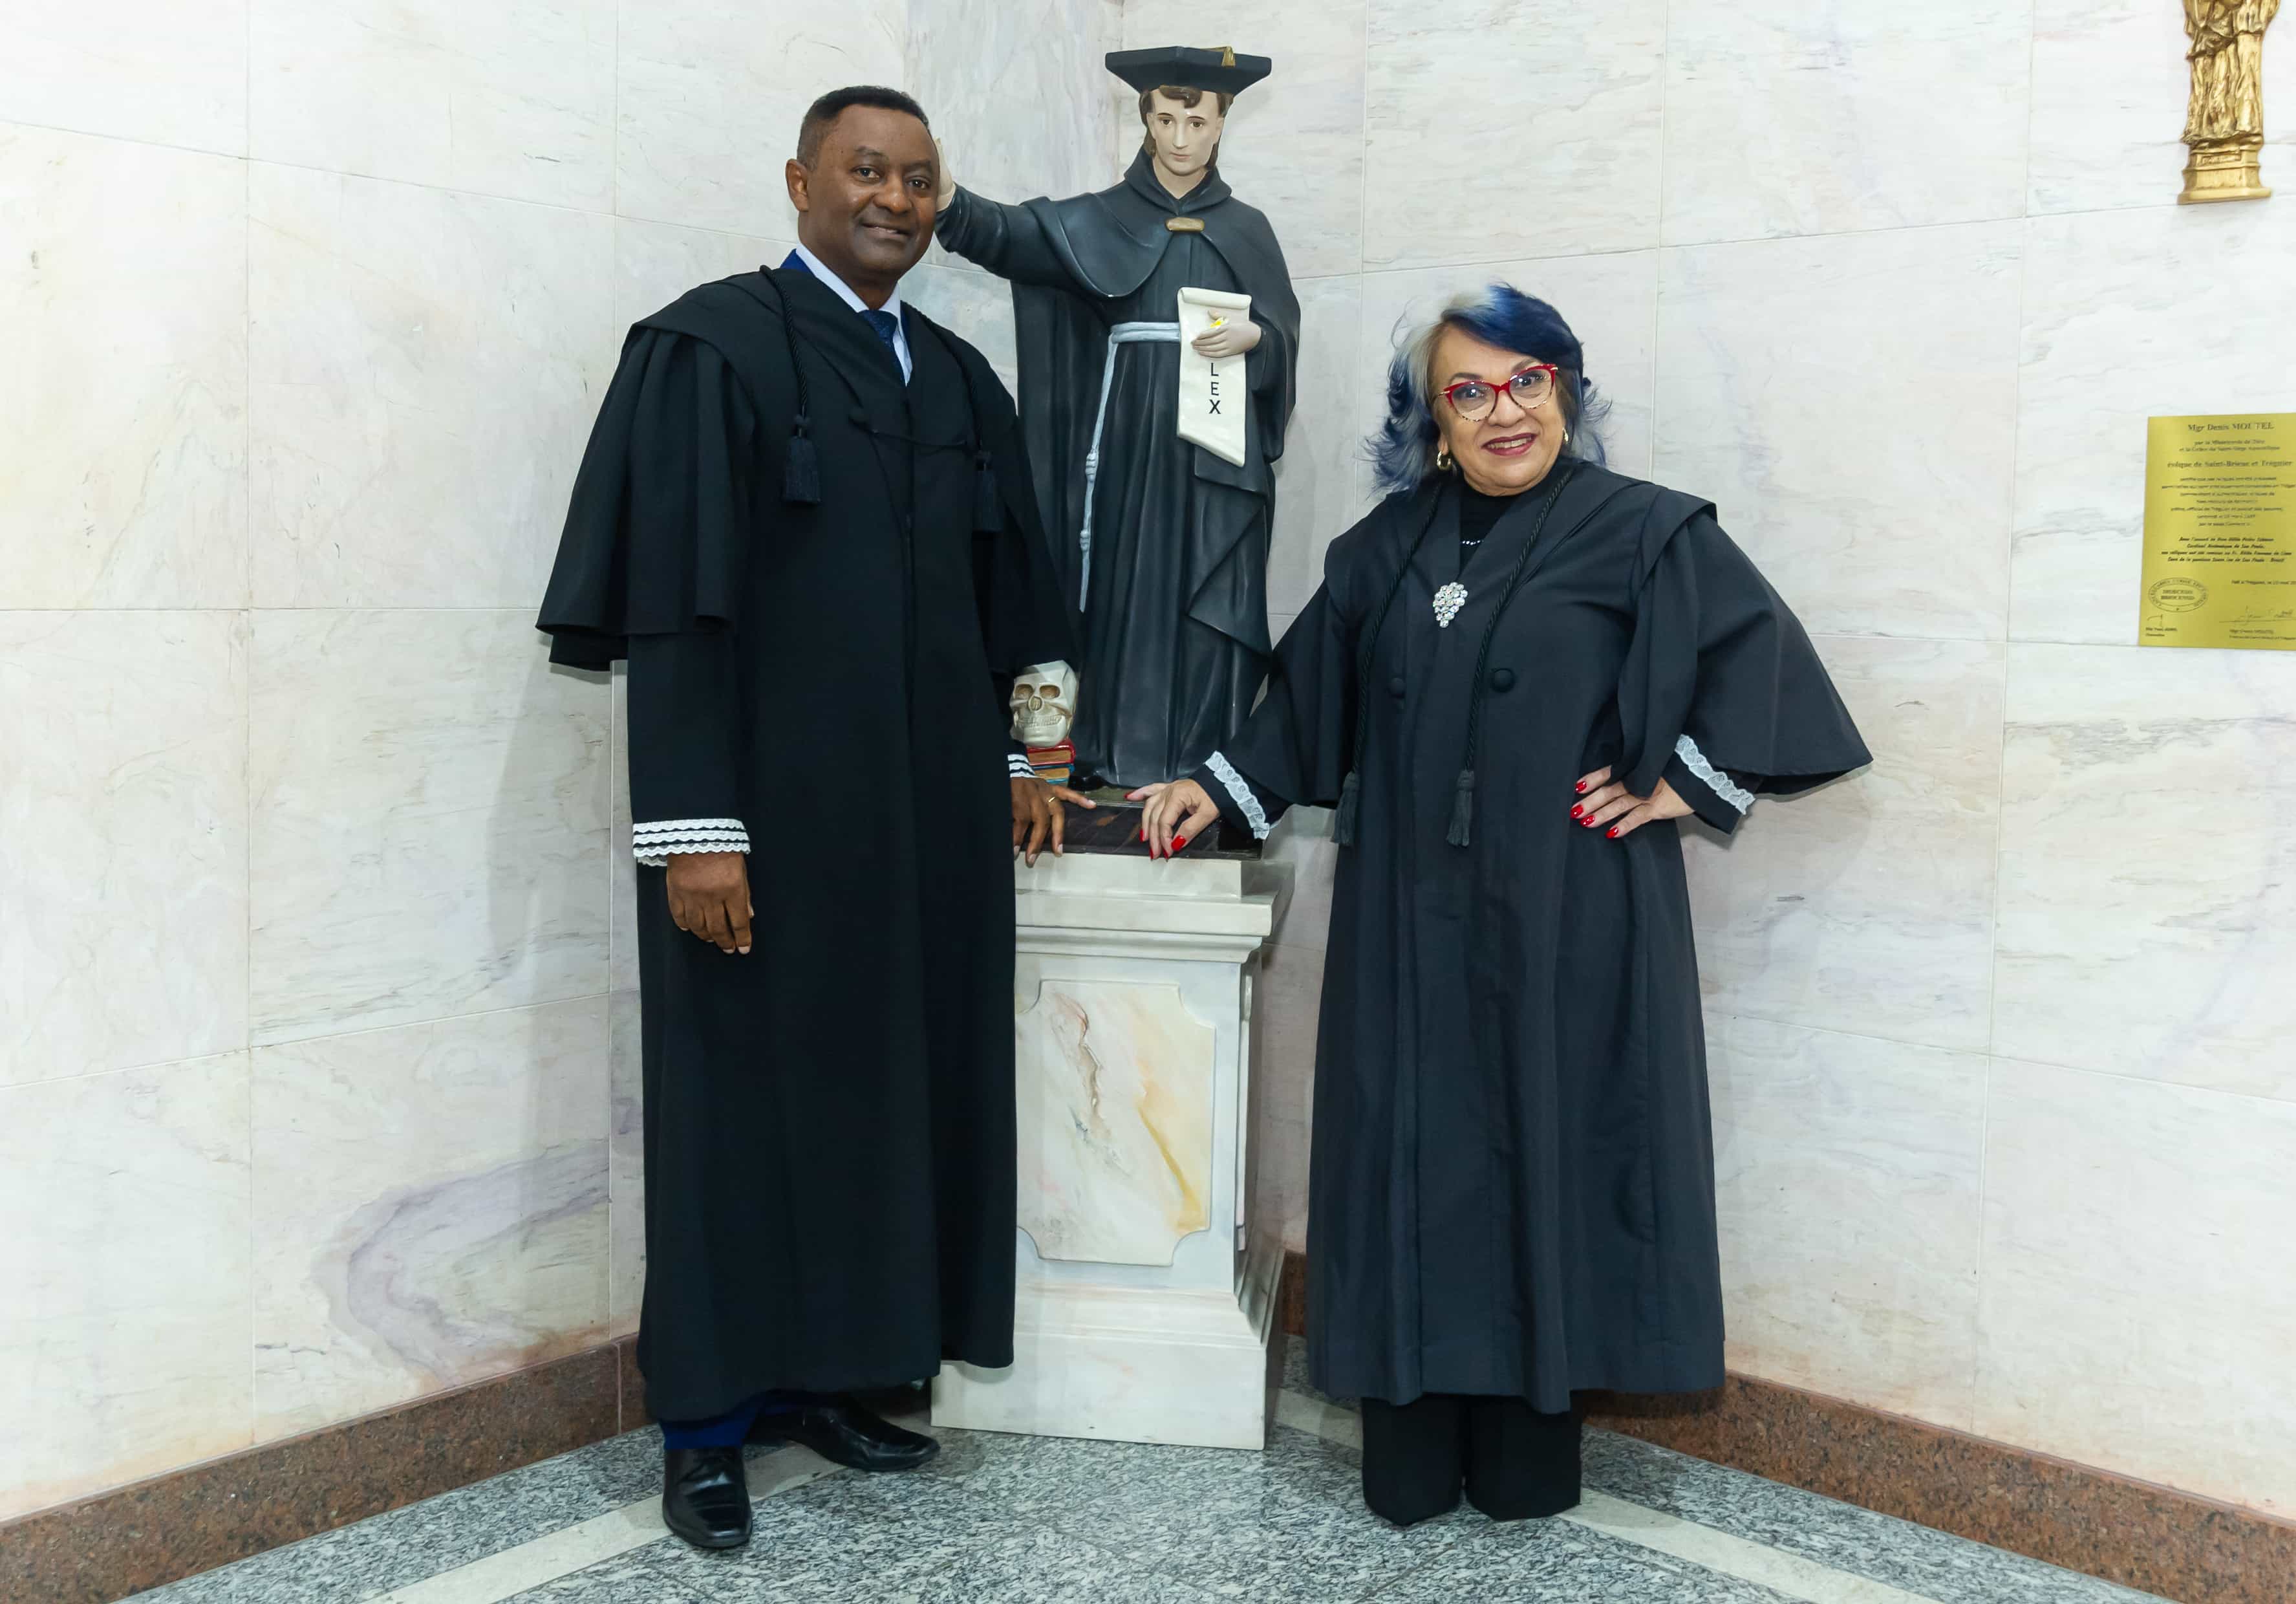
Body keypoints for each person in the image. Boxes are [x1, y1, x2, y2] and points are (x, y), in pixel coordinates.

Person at [1131, 287, 1871, 1525]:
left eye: (1526, 381)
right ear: (1431, 419)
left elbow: (1771, 673)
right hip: (1403, 925)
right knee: (1410, 1153)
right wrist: (1218, 785)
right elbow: (1307, 702)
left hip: (1572, 919)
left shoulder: (1647, 533)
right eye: (1467, 391)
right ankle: (1414, 1441)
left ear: (1566, 390)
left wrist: (1680, 784)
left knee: (1548, 1148)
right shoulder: (1383, 548)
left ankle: (1530, 1449)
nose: (1502, 412)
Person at [535, 85, 1084, 1550]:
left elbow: (1009, 604)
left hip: (923, 833)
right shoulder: (710, 351)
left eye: (920, 179)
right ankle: (708, 1426)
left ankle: (836, 1375)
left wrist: (1026, 758)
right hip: (762, 831)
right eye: (866, 171)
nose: (895, 199)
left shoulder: (957, 381)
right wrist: (692, 830)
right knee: (736, 1109)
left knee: (886, 1098)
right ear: (799, 181)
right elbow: (675, 613)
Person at [934, 46, 1300, 788]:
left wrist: (1259, 339)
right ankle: (1104, 751)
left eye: (1196, 122)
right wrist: (948, 199)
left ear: (1221, 122)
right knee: (1117, 588)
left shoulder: (1248, 229)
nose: (1179, 138)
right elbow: (1014, 236)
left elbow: (1282, 334)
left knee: (1209, 594)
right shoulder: (1102, 219)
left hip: (1215, 456)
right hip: (1126, 442)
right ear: (1146, 119)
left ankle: (1198, 766)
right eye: (1165, 119)